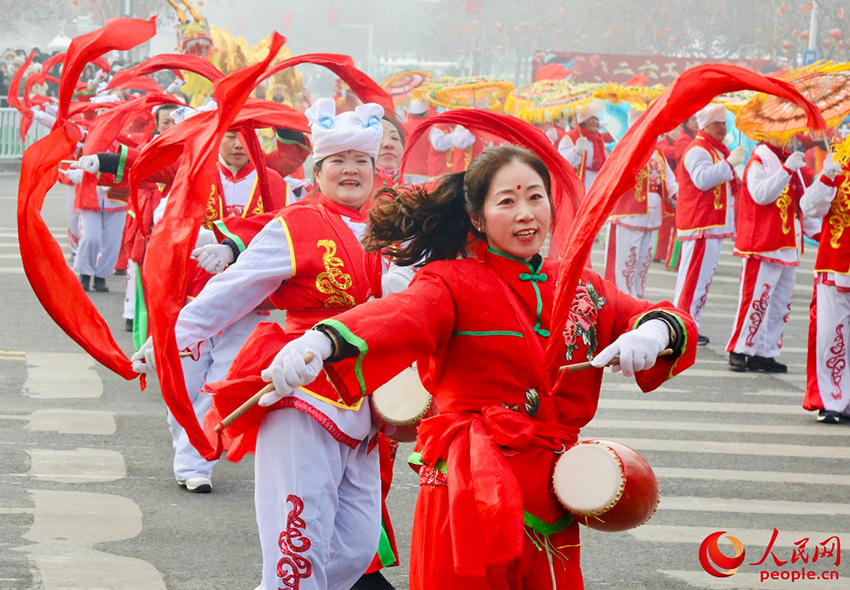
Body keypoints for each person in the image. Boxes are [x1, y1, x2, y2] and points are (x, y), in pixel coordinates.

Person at [256, 145, 697, 589]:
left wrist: (655, 332)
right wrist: (320, 341)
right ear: (478, 218)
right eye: (507, 201)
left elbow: (662, 315)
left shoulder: (581, 285)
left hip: (553, 491)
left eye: (535, 197)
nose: (525, 213)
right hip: (466, 487)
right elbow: (394, 318)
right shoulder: (450, 282)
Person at [134, 98, 400, 589]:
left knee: (358, 545)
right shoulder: (295, 224)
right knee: (296, 548)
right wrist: (169, 340)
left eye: (360, 160)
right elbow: (231, 292)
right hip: (301, 390)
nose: (350, 170)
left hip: (366, 400)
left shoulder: (391, 228)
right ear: (317, 171)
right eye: (337, 161)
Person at [726, 139, 809, 372]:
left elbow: (800, 202)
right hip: (762, 242)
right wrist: (787, 170)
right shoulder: (759, 159)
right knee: (755, 300)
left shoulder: (787, 158)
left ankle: (766, 351)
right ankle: (740, 348)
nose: (788, 136)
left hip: (787, 242)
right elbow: (762, 195)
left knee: (781, 305)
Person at [673, 103, 746, 345]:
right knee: (692, 279)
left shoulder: (715, 150)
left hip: (711, 226)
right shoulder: (698, 150)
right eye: (719, 123)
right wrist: (729, 165)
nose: (723, 128)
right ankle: (682, 326)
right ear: (706, 125)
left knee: (701, 280)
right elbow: (702, 180)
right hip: (700, 225)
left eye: (725, 123)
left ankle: (691, 324)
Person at [606, 108, 678, 299]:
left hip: (652, 216)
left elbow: (668, 180)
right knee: (626, 262)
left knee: (643, 262)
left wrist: (679, 196)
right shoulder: (626, 148)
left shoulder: (657, 151)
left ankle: (637, 298)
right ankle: (623, 299)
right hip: (629, 212)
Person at [800, 152, 850, 424]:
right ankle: (831, 401)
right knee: (832, 333)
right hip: (835, 263)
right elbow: (809, 207)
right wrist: (827, 177)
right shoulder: (837, 166)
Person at [558, 101, 615, 192]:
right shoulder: (570, 138)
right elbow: (561, 163)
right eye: (590, 118)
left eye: (596, 119)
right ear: (582, 121)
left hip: (599, 187)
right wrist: (576, 151)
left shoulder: (599, 140)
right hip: (579, 188)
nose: (594, 122)